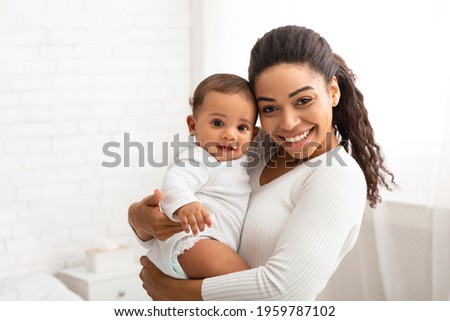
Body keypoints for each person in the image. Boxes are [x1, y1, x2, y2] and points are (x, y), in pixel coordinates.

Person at [128, 25, 396, 300]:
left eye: (303, 100)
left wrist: (172, 292)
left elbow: (284, 291)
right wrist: (139, 217)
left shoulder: (337, 177)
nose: (289, 123)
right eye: (270, 108)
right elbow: (192, 188)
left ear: (333, 91)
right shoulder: (254, 148)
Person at [145, 73, 259, 279]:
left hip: (215, 242)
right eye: (217, 123)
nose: (230, 134)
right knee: (249, 282)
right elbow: (175, 180)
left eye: (242, 127)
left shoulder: (238, 161)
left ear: (254, 135)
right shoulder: (199, 157)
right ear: (193, 126)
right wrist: (185, 204)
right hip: (194, 242)